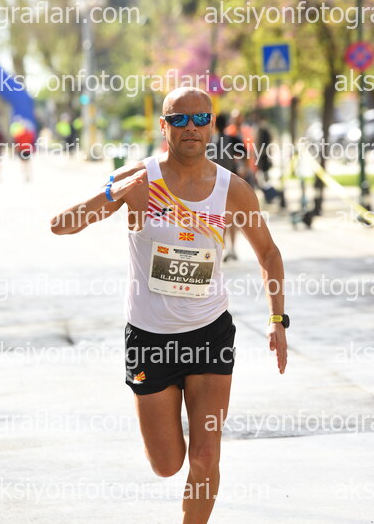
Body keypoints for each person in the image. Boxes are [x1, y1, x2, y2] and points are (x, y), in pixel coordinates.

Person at [50, 87, 288, 524]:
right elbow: (60, 226)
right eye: (178, 119)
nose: (190, 127)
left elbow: (269, 253)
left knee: (205, 455)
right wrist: (110, 193)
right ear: (164, 127)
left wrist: (277, 319)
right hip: (150, 338)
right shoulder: (138, 178)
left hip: (210, 333)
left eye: (199, 119)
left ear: (212, 125)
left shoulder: (232, 189)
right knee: (167, 464)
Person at [210, 113, 245, 262]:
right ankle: (232, 248)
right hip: (231, 183)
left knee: (219, 217)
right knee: (231, 217)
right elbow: (244, 154)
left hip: (213, 185)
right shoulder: (232, 139)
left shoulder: (209, 141)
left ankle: (221, 247)